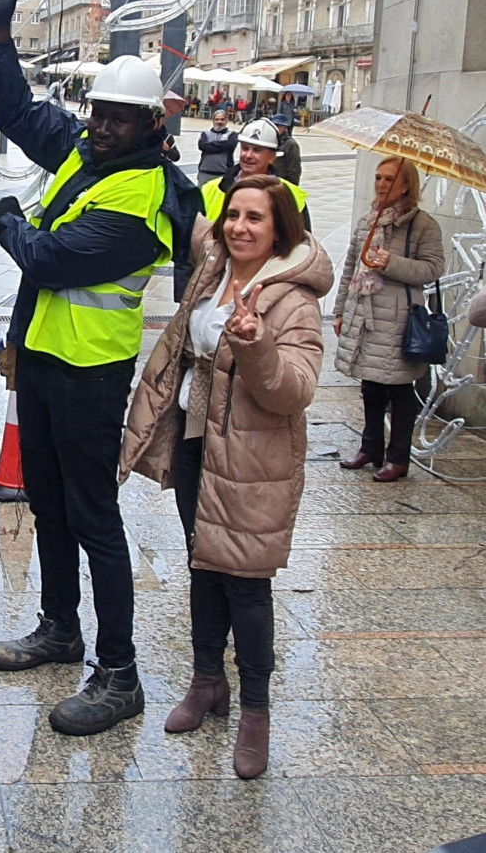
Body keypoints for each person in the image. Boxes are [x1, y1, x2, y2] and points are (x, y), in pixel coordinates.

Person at [0, 0, 201, 737]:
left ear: (148, 125)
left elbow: (48, 258)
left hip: (89, 377)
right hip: (42, 362)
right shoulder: (85, 151)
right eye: (96, 113)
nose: (100, 127)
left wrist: (9, 220)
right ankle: (59, 627)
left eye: (117, 119)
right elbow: (15, 112)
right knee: (47, 504)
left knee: (94, 517)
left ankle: (119, 673)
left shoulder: (143, 198)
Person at [121, 174, 333, 779]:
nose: (240, 227)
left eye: (255, 218)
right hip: (196, 442)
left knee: (245, 581)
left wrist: (258, 345)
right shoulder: (213, 268)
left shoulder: (294, 299)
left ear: (280, 228)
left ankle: (256, 716)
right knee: (202, 565)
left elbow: (297, 390)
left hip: (252, 460)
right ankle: (206, 683)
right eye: (233, 214)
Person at [334, 157, 444, 482]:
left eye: (389, 180)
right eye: (378, 178)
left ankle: (398, 458)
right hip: (365, 314)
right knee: (370, 385)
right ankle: (371, 447)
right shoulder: (368, 221)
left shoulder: (423, 225)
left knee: (398, 389)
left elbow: (434, 269)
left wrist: (392, 263)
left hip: (398, 320)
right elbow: (351, 267)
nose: (381, 184)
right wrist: (340, 309)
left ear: (406, 185)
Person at [199, 119, 309, 230]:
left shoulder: (291, 196)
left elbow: (301, 242)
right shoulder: (210, 189)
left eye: (257, 150)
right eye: (245, 148)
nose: (248, 155)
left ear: (272, 157)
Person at [196, 109, 237, 185]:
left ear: (226, 121)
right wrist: (223, 146)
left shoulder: (232, 135)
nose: (219, 122)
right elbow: (202, 146)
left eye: (222, 119)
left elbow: (230, 145)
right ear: (213, 121)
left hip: (223, 175)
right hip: (205, 174)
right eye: (217, 119)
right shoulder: (205, 134)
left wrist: (210, 145)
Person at [267, 112, 302, 185]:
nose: (276, 128)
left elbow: (294, 169)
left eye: (279, 126)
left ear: (285, 127)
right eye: (274, 125)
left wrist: (291, 188)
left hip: (282, 183)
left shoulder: (291, 144)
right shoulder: (269, 141)